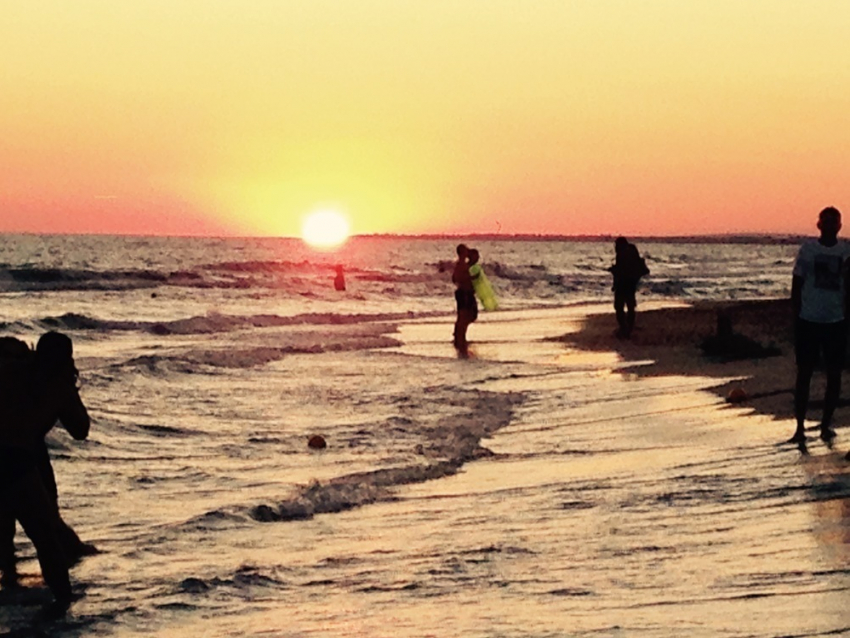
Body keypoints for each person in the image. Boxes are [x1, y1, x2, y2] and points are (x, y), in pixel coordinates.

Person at [0, 332, 91, 605]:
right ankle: (63, 603)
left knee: (5, 527)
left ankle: (10, 582)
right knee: (45, 538)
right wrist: (69, 389)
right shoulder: (56, 386)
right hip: (15, 460)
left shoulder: (10, 371)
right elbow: (80, 430)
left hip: (16, 455)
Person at [789, 207, 850, 444]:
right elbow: (797, 281)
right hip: (808, 320)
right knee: (804, 374)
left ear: (839, 226)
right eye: (826, 221)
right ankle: (800, 427)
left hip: (836, 321)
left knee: (834, 375)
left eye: (834, 222)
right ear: (818, 225)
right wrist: (796, 314)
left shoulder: (846, 251)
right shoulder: (808, 250)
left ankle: (826, 425)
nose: (830, 225)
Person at [607, 237, 650, 338]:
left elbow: (620, 271)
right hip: (631, 283)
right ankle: (628, 328)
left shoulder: (621, 254)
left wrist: (613, 271)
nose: (615, 247)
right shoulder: (632, 251)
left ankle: (624, 328)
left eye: (616, 245)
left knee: (619, 306)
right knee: (630, 306)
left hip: (623, 284)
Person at [452, 244, 477, 357]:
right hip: (464, 293)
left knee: (467, 315)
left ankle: (459, 336)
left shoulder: (462, 265)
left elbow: (454, 278)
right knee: (464, 316)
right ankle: (459, 337)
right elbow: (456, 278)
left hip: (464, 292)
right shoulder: (461, 265)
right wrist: (471, 278)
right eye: (465, 251)